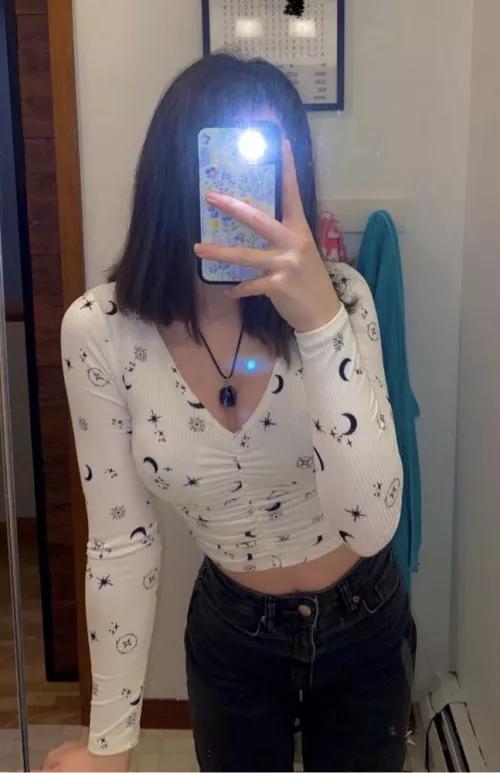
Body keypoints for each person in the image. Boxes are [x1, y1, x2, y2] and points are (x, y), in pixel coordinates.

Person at [46, 53, 416, 772]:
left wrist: (319, 322)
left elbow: (372, 524)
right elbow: (120, 543)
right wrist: (110, 744)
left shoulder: (343, 298)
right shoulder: (100, 330)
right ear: (171, 172)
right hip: (233, 635)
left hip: (365, 621)